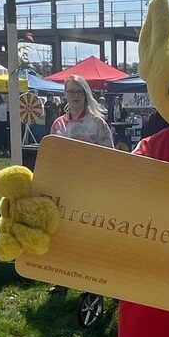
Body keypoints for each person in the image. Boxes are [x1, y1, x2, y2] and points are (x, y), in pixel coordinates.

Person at [48, 75, 113, 296]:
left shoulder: (97, 123)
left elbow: (109, 158)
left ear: (85, 94)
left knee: (88, 236)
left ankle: (90, 282)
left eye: (78, 91)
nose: (75, 96)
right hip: (65, 188)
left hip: (90, 189)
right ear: (64, 94)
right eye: (70, 91)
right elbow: (52, 156)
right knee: (64, 234)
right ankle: (61, 280)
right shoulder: (58, 124)